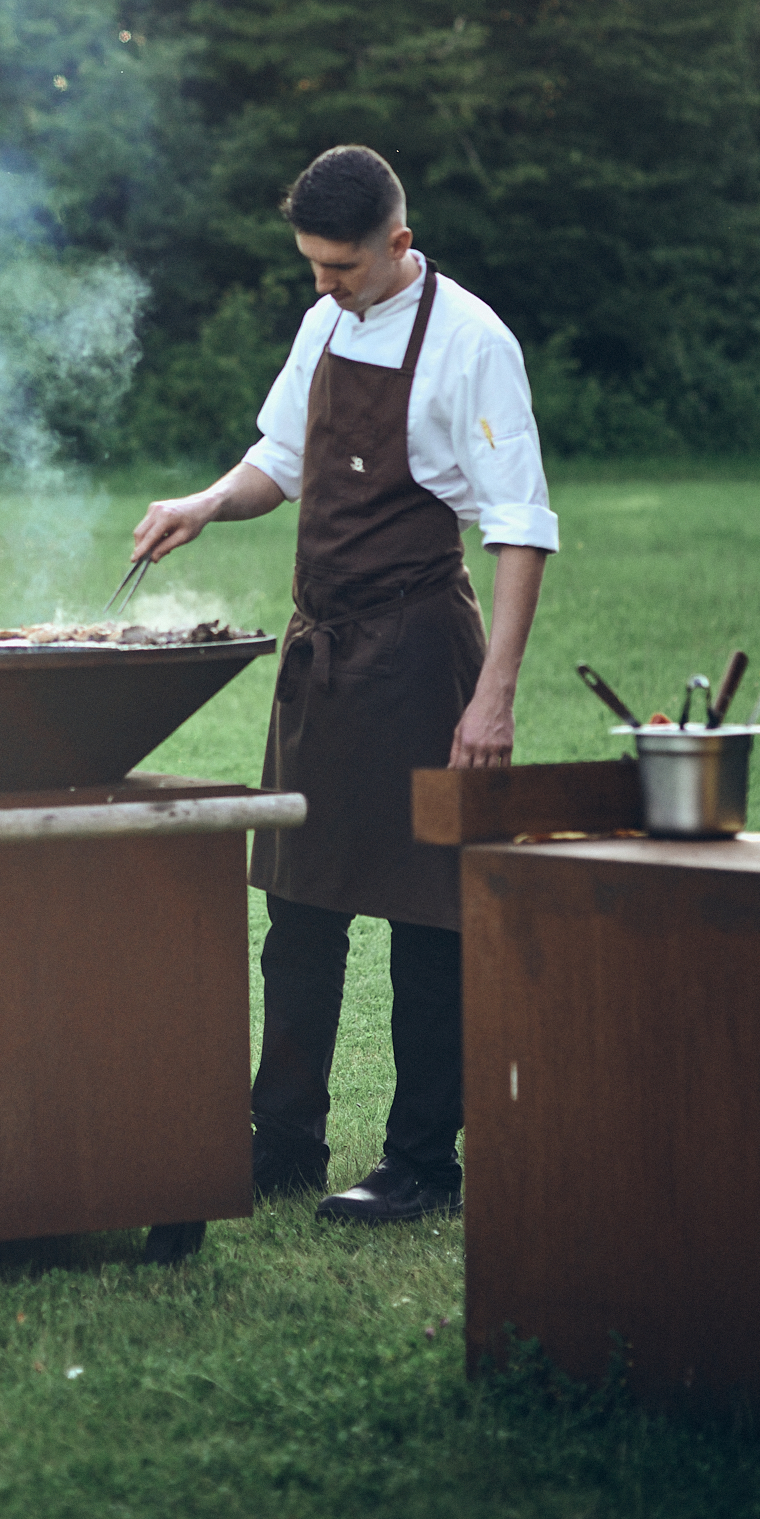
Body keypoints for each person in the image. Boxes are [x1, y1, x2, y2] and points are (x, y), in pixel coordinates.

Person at [130, 144, 557, 1223]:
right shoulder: (324, 320)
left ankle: (422, 1164)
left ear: (398, 244)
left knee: (428, 915)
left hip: (422, 654)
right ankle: (285, 1144)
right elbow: (279, 457)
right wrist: (204, 502)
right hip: (322, 651)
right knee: (300, 905)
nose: (324, 287)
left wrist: (492, 697)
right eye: (313, 266)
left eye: (343, 269)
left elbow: (519, 527)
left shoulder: (473, 342)